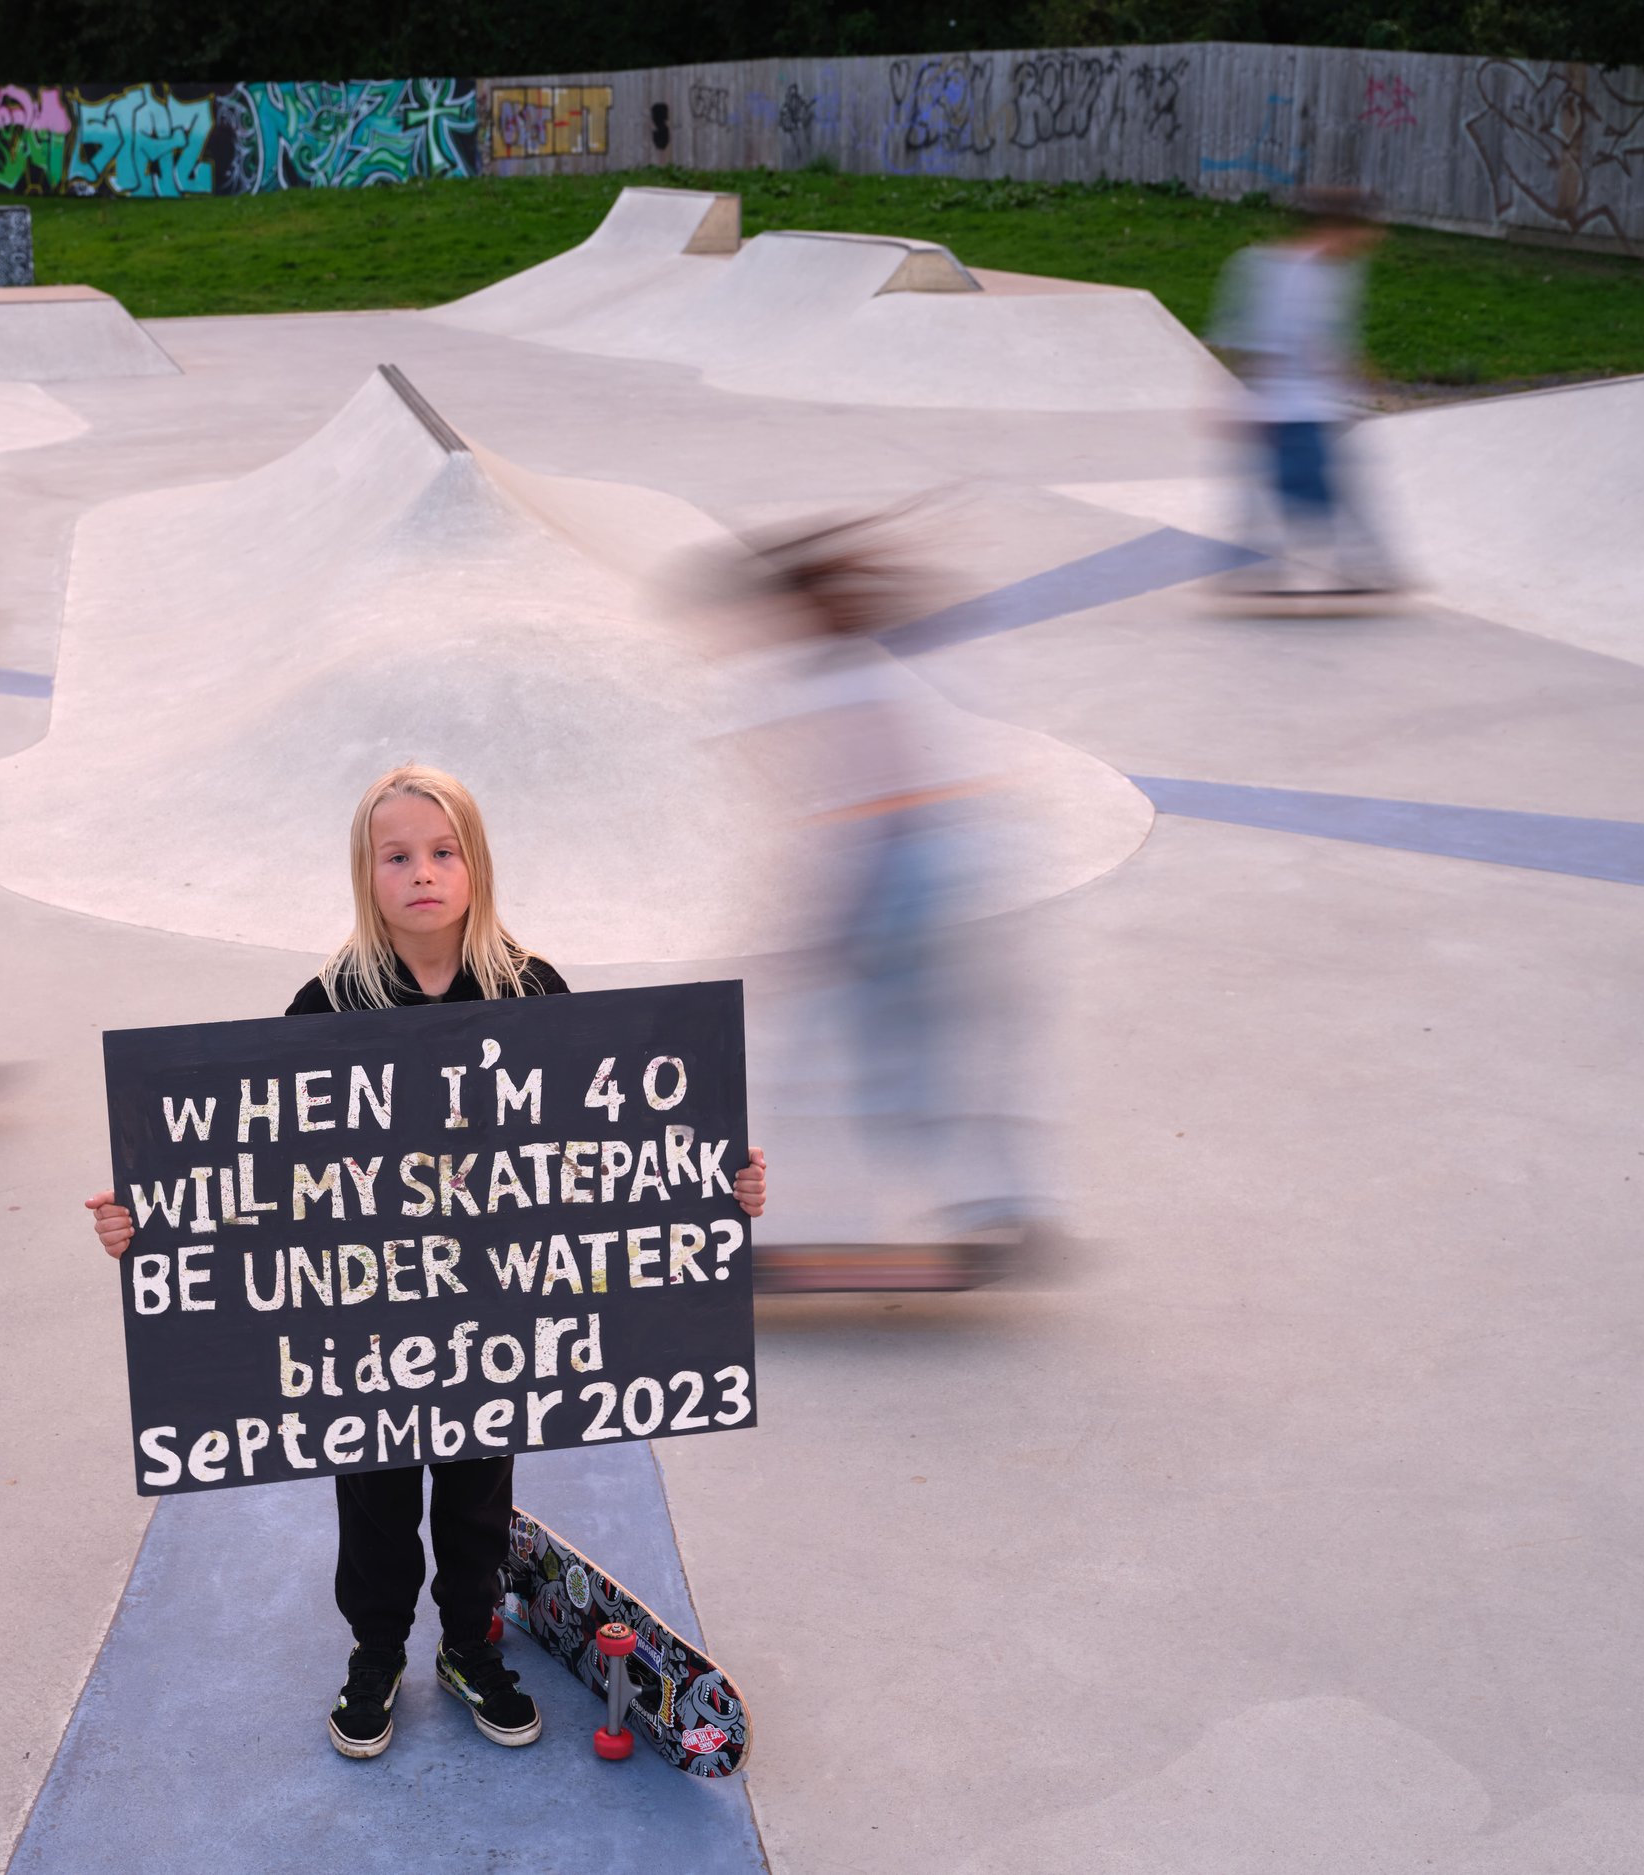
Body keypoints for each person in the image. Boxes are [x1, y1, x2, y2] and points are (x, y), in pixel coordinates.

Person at [84, 764, 767, 1759]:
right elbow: (251, 1163)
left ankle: (468, 1640)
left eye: (442, 852)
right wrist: (152, 1222)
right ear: (367, 876)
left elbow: (606, 1149)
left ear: (475, 864)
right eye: (396, 856)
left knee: (477, 1478)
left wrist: (716, 1186)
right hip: (366, 1310)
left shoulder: (531, 990)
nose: (422, 873)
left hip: (493, 1306)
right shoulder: (327, 1003)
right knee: (373, 1484)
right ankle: (375, 1648)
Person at [712, 515, 1048, 1282]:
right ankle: (1000, 1201)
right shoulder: (871, 667)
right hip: (954, 876)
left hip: (911, 884)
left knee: (832, 1056)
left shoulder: (834, 682)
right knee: (930, 1057)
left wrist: (805, 938)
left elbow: (864, 823)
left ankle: (820, 1222)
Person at [1209, 188, 1399, 596]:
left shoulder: (1333, 272)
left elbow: (1327, 339)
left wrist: (1358, 374)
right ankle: (1356, 563)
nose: (1361, 248)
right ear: (1333, 229)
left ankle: (1257, 566)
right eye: (1356, 236)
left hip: (1310, 402)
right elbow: (1255, 341)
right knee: (1310, 487)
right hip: (1285, 404)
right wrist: (1246, 404)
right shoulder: (1279, 271)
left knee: (1296, 485)